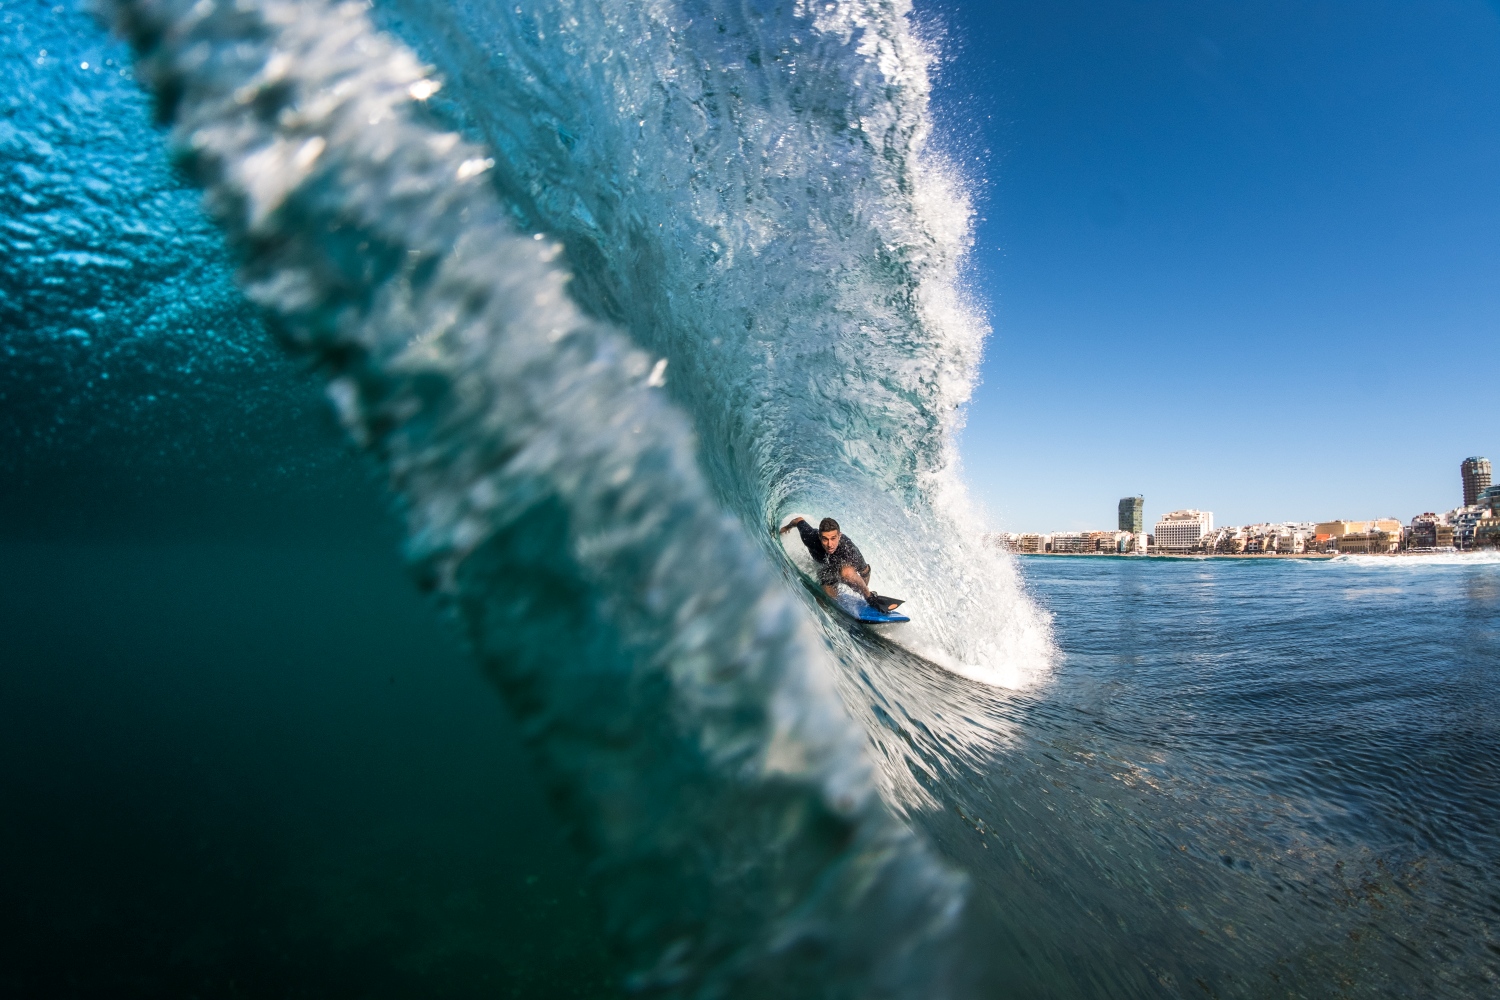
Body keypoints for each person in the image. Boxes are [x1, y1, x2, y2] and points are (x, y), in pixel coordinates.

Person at [778, 515, 878, 603]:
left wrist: (865, 592)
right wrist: (787, 527)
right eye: (825, 539)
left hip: (845, 566)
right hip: (827, 569)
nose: (830, 544)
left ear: (839, 536)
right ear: (819, 537)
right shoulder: (810, 537)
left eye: (833, 538)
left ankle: (869, 597)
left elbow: (865, 571)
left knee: (847, 574)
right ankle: (837, 604)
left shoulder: (848, 549)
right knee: (826, 588)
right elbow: (798, 520)